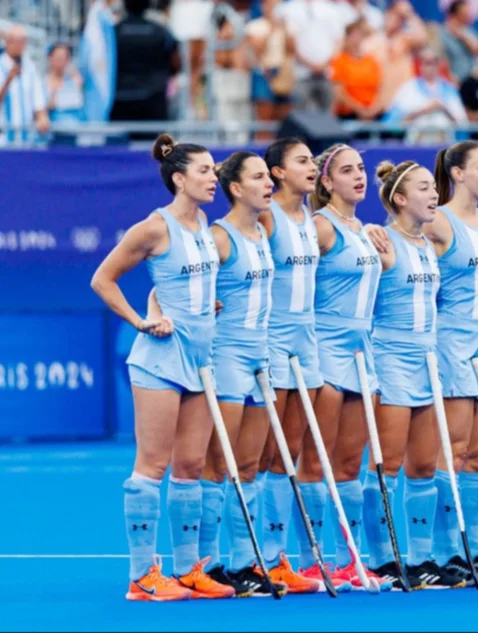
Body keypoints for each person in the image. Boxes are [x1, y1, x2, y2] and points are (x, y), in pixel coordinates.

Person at [90, 134, 231, 601]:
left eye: (215, 170)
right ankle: (141, 577)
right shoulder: (153, 228)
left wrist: (206, 304)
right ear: (179, 178)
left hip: (200, 359)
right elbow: (103, 280)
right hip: (160, 361)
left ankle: (189, 570)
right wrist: (141, 320)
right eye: (206, 171)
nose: (215, 178)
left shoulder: (204, 224)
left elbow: (185, 286)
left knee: (191, 466)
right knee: (153, 464)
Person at [167, 151, 291, 596]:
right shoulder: (217, 237)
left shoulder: (263, 230)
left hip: (262, 356)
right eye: (258, 177)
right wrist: (159, 310)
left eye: (267, 176)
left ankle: (244, 563)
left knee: (252, 465)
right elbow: (174, 287)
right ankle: (206, 563)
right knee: (218, 466)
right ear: (236, 188)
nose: (268, 183)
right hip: (227, 357)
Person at [356, 160, 460, 590]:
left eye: (434, 188)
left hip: (427, 359)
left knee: (424, 465)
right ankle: (381, 559)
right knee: (388, 465)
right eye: (423, 188)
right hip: (391, 359)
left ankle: (419, 558)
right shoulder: (380, 242)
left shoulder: (426, 244)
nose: (434, 194)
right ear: (399, 199)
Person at [299, 143, 389, 590]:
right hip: (327, 351)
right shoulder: (320, 227)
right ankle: (311, 560)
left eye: (362, 169)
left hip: (362, 352)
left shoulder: (363, 228)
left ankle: (349, 559)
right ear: (326, 181)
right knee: (316, 462)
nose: (359, 177)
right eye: (348, 170)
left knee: (352, 464)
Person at [252, 138, 340, 593]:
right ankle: (259, 558)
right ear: (278, 172)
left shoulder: (313, 218)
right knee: (267, 454)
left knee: (294, 448)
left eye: (313, 160)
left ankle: (292, 557)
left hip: (307, 341)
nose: (313, 166)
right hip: (272, 338)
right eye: (302, 160)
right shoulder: (266, 218)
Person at [425, 140, 478, 585]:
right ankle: (444, 554)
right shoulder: (437, 219)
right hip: (454, 337)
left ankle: (474, 551)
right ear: (457, 173)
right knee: (453, 450)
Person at [0, 24, 50, 145]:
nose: (20, 45)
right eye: (16, 41)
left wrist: (42, 116)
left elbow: (38, 101)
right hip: (3, 138)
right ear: (7, 42)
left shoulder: (30, 67)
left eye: (23, 41)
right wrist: (8, 80)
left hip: (26, 139)